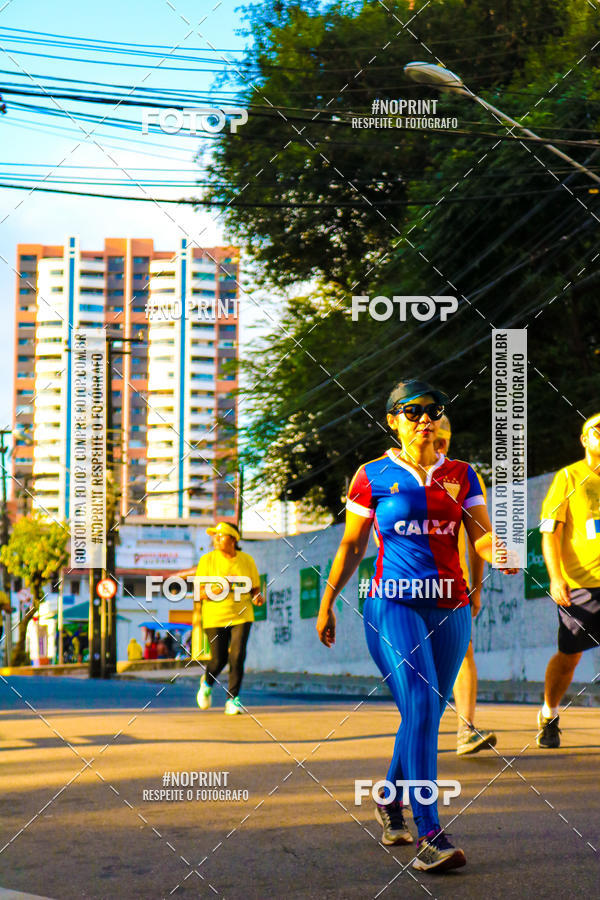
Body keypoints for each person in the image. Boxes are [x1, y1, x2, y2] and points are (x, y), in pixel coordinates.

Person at [316, 379, 517, 873]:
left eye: (433, 409)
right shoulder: (372, 475)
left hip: (449, 606)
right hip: (391, 604)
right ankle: (430, 832)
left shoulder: (463, 475)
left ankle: (388, 798)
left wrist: (500, 557)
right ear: (393, 420)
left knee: (422, 712)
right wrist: (328, 602)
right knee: (424, 704)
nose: (424, 418)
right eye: (412, 411)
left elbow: (481, 537)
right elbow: (351, 547)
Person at [537, 411, 600, 748]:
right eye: (598, 429)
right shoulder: (568, 477)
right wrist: (555, 577)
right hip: (580, 584)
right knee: (569, 656)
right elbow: (550, 533)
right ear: (584, 439)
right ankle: (549, 713)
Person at [435, 416, 497, 756]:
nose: (440, 441)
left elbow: (479, 537)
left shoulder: (464, 476)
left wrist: (477, 586)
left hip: (452, 586)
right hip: (406, 589)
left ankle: (465, 728)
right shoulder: (395, 476)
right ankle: (421, 727)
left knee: (463, 651)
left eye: (446, 435)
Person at [180, 522, 264, 715]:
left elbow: (255, 589)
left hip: (242, 615)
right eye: (214, 536)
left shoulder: (247, 560)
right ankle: (207, 683)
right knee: (219, 660)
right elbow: (198, 593)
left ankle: (232, 700)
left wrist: (257, 598)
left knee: (238, 656)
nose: (216, 539)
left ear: (233, 539)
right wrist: (218, 589)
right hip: (215, 617)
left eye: (221, 535)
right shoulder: (207, 560)